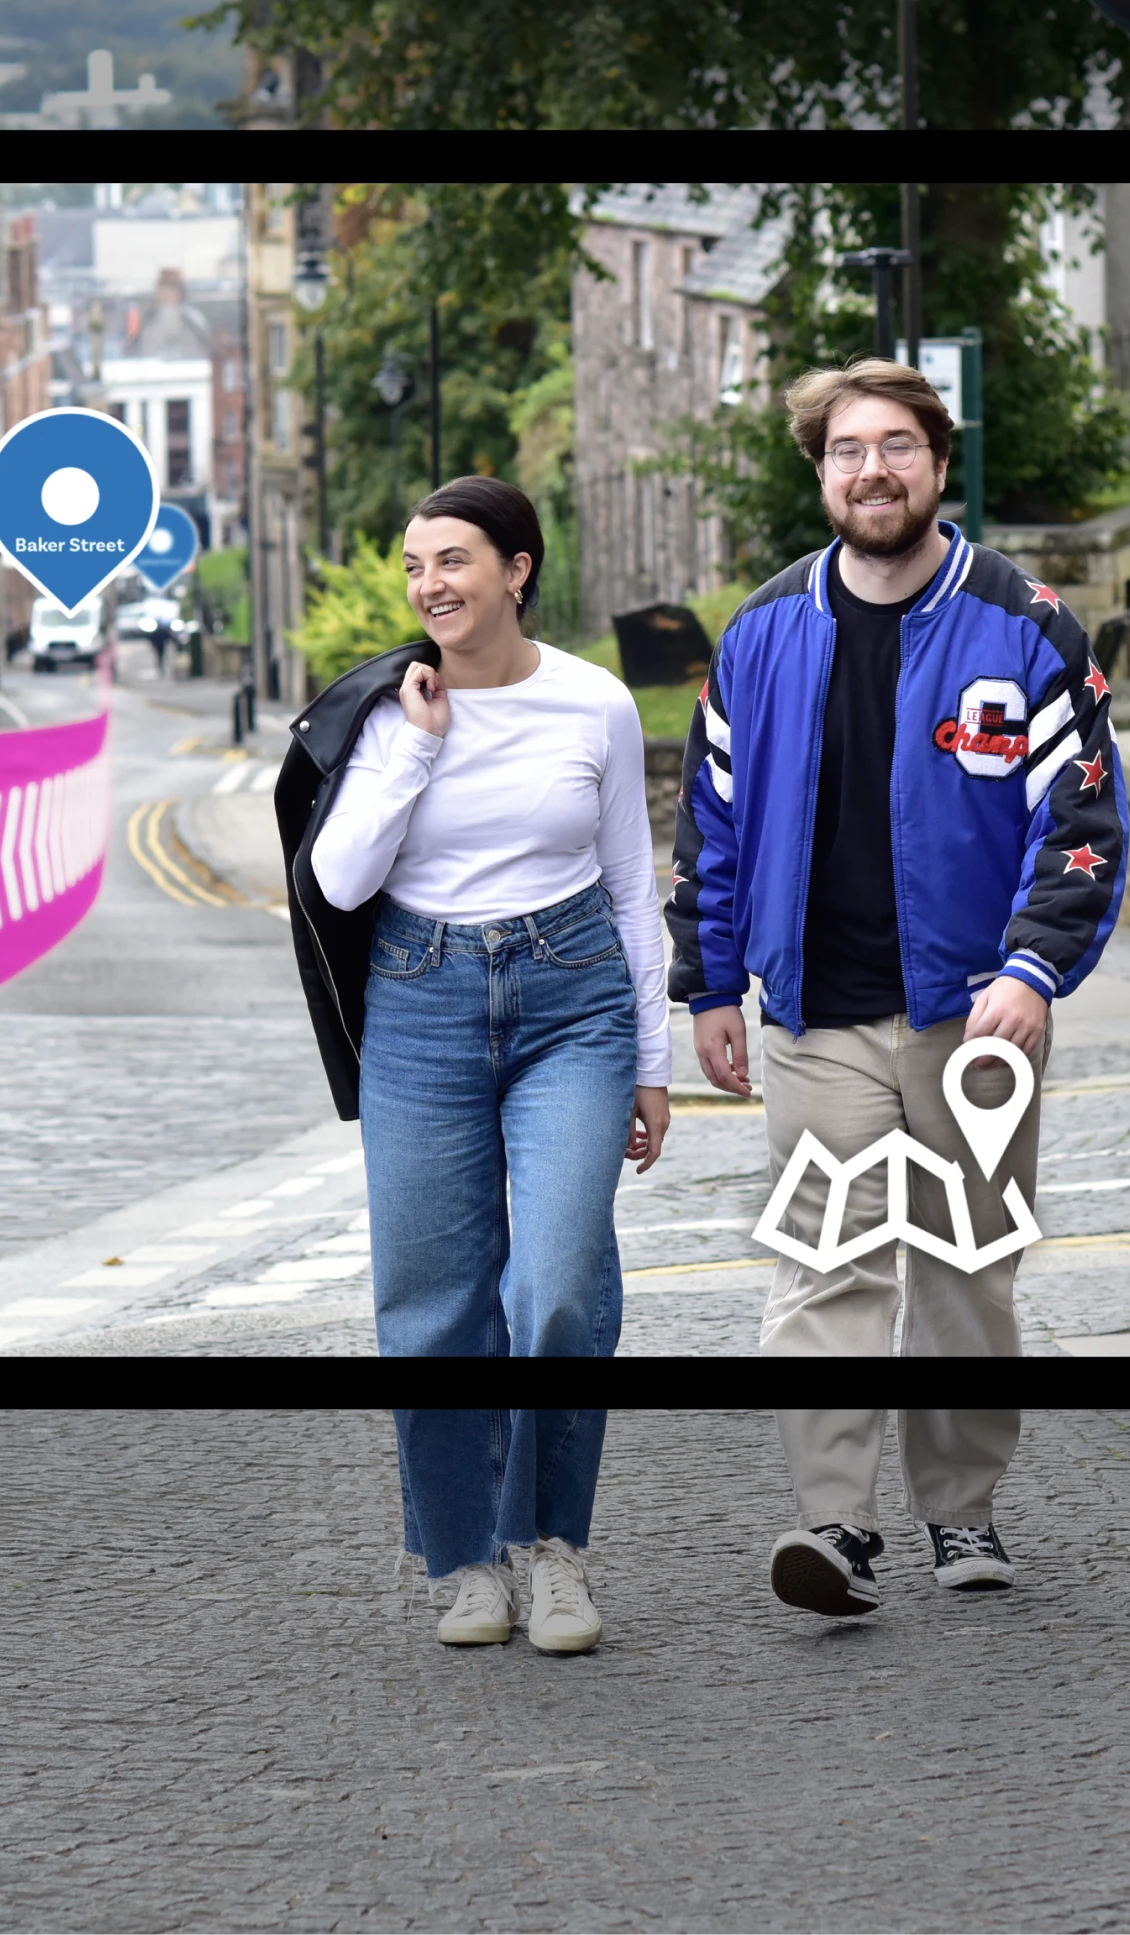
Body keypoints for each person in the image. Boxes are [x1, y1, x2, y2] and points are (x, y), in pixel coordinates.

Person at [670, 359, 1129, 1620]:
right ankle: (833, 1526)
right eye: (844, 452)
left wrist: (1035, 968)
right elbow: (707, 820)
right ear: (819, 474)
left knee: (965, 1272)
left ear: (936, 464)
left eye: (894, 448)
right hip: (815, 1011)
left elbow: (1082, 822)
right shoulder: (761, 632)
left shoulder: (1025, 626)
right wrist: (709, 981)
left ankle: (960, 1515)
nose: (869, 471)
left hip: (972, 1011)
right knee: (826, 1266)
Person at [277, 475, 669, 1655]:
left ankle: (553, 1550)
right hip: (419, 1005)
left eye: (452, 560)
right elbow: (337, 883)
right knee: (434, 1305)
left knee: (554, 1286)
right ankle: (464, 1564)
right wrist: (414, 749)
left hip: (571, 1001)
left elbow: (632, 892)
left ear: (517, 569)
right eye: (412, 566)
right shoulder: (392, 711)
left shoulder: (594, 706)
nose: (428, 585)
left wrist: (651, 1063)